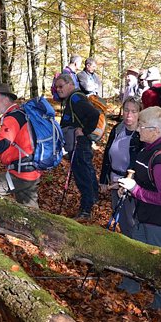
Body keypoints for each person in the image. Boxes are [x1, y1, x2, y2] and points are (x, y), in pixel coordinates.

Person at [118, 106, 161, 310]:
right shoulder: (151, 148)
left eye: (141, 126)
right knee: (137, 252)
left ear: (155, 130)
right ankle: (131, 284)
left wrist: (135, 189)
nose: (137, 130)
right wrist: (129, 188)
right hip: (146, 214)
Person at [54, 74, 100, 218]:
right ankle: (93, 201)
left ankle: (86, 210)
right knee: (86, 171)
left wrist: (84, 131)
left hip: (79, 143)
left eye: (61, 86)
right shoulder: (71, 99)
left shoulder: (75, 98)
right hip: (77, 143)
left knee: (82, 175)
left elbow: (94, 114)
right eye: (57, 87)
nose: (58, 90)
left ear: (70, 84)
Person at [100, 97, 143, 237]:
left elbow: (139, 164)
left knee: (132, 221)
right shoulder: (118, 129)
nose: (129, 115)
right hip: (114, 181)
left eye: (134, 111)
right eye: (126, 110)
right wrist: (103, 179)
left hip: (131, 186)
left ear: (139, 114)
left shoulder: (142, 135)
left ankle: (136, 249)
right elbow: (107, 154)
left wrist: (125, 183)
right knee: (121, 220)